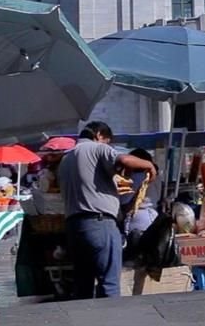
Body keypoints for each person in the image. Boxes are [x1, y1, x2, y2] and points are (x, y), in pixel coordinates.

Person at [58, 121, 156, 299]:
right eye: (108, 142)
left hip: (73, 227)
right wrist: (149, 165)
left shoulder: (66, 157)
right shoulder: (97, 148)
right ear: (99, 135)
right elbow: (125, 160)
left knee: (83, 287)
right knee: (109, 285)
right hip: (99, 223)